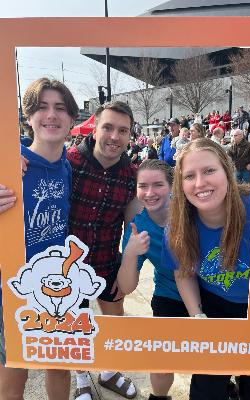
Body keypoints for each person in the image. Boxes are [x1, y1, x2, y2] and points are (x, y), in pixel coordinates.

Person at [162, 138, 250, 400]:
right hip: (215, 306)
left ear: (227, 170)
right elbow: (183, 272)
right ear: (181, 185)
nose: (200, 183)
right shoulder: (178, 225)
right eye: (189, 176)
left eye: (209, 171)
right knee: (206, 389)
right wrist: (196, 315)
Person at [0, 77, 79, 400]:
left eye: (60, 108)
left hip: (54, 288)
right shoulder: (7, 162)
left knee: (59, 368)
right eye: (42, 107)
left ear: (72, 119)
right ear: (28, 117)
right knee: (12, 376)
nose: (51, 115)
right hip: (11, 288)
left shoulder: (66, 168)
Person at [67, 101, 139, 399]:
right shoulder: (67, 162)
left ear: (129, 135)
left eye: (123, 130)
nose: (114, 136)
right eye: (108, 127)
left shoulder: (132, 175)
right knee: (75, 325)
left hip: (107, 263)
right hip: (67, 267)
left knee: (113, 324)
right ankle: (82, 379)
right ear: (94, 128)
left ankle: (109, 371)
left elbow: (135, 223)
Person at [118, 159, 204, 400]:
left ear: (172, 186)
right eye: (142, 186)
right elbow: (126, 286)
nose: (149, 193)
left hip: (211, 291)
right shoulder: (138, 225)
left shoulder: (192, 210)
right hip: (169, 294)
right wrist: (131, 253)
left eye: (158, 185)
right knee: (161, 359)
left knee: (209, 357)